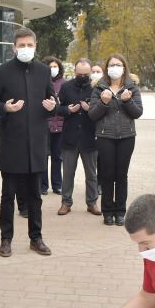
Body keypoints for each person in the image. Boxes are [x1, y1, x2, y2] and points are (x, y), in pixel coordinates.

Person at [0, 27, 57, 258]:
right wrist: (5, 108)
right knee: (8, 195)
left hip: (36, 142)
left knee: (35, 195)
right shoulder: (3, 71)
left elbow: (50, 99)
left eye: (30, 45)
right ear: (14, 47)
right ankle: (6, 239)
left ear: (36, 46)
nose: (26, 49)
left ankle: (36, 238)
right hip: (12, 143)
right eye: (22, 45)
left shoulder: (44, 71)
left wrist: (52, 106)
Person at [88, 53, 143, 226]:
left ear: (124, 68)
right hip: (105, 136)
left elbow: (138, 112)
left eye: (118, 65)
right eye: (111, 65)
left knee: (121, 175)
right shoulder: (99, 88)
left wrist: (127, 101)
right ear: (106, 68)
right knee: (107, 175)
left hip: (126, 137)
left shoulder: (132, 88)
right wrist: (103, 103)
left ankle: (120, 211)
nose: (115, 68)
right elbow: (92, 114)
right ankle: (107, 212)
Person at [57, 58, 100, 216]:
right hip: (70, 137)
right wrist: (67, 110)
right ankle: (66, 202)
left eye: (86, 74)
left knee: (91, 174)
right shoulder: (66, 87)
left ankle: (92, 202)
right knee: (68, 173)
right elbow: (57, 108)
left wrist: (91, 109)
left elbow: (103, 110)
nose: (83, 76)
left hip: (90, 137)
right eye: (80, 73)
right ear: (75, 72)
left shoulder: (97, 88)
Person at [41, 56, 66, 195]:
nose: (53, 69)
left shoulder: (64, 83)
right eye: (50, 66)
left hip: (60, 124)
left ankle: (57, 185)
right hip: (44, 124)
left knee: (57, 156)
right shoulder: (40, 82)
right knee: (43, 155)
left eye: (55, 66)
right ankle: (43, 185)